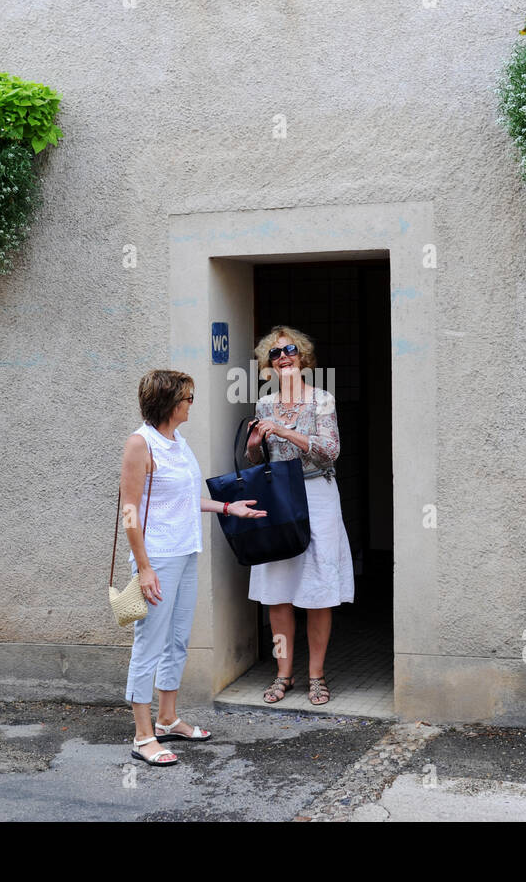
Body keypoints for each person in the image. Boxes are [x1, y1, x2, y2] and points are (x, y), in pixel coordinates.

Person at [120, 369, 266, 766]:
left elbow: (184, 499)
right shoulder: (141, 444)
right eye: (187, 398)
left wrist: (226, 507)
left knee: (178, 639)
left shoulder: (177, 441)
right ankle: (143, 735)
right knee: (148, 643)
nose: (191, 404)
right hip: (158, 558)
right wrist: (145, 568)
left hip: (186, 552)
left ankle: (167, 719)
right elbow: (129, 513)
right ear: (168, 401)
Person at [244, 326, 355, 707]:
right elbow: (258, 462)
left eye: (289, 350)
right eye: (275, 354)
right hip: (279, 496)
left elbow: (330, 450)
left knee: (319, 589)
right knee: (278, 590)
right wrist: (256, 446)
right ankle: (283, 674)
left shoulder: (322, 399)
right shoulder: (263, 405)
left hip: (317, 494)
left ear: (303, 356)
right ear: (268, 364)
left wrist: (286, 433)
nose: (283, 357)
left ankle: (317, 676)